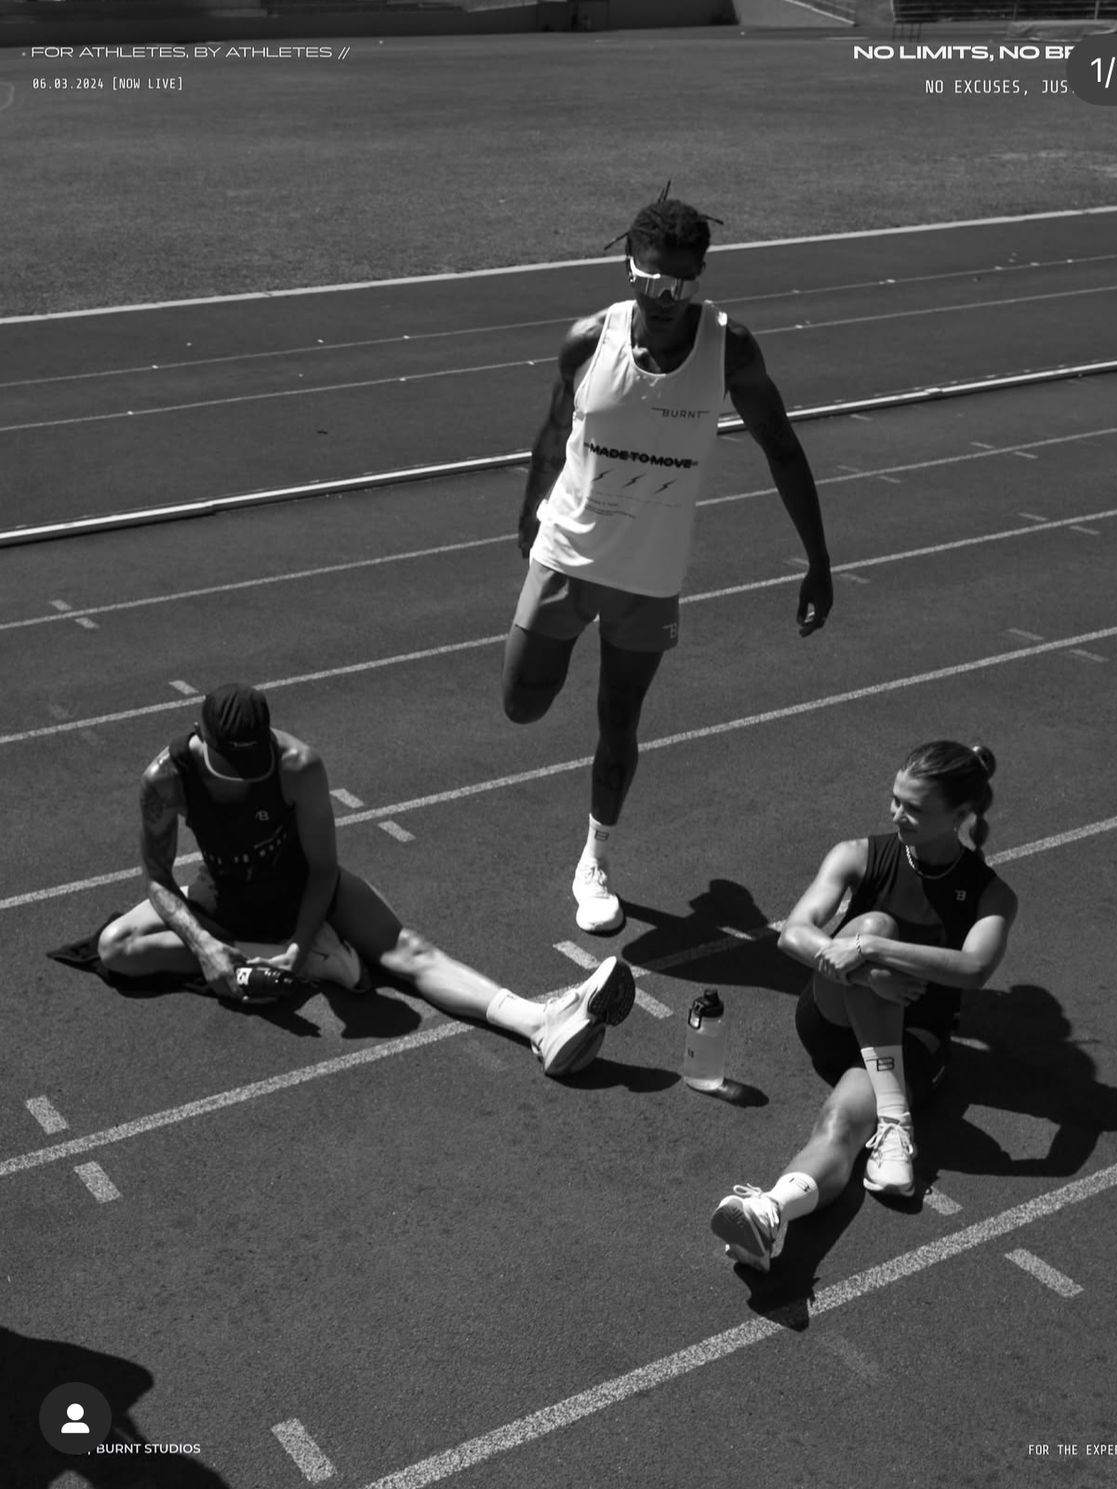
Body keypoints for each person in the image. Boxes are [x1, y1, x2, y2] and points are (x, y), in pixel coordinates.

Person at [503, 187, 833, 934]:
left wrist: (817, 559)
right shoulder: (588, 340)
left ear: (702, 276)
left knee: (619, 722)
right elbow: (553, 434)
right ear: (630, 267)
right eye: (651, 279)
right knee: (522, 705)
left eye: (681, 283)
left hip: (648, 577)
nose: (664, 296)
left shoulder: (730, 350)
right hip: (568, 554)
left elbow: (782, 446)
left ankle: (596, 859)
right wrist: (529, 509)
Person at [97, 683, 635, 1078]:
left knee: (411, 953)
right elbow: (157, 878)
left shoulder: (297, 764)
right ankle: (302, 962)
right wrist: (208, 948)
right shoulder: (165, 781)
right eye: (235, 767)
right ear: (202, 743)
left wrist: (298, 938)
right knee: (114, 947)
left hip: (303, 885)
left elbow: (324, 867)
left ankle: (540, 1020)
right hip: (223, 891)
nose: (250, 774)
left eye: (254, 762)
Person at [710, 741, 1018, 1271]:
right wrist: (872, 971)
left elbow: (975, 969)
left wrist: (875, 951)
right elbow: (793, 936)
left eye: (915, 808)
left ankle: (769, 1212)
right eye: (896, 799)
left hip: (911, 1042)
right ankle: (897, 1120)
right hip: (831, 1020)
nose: (896, 813)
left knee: (840, 1127)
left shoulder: (991, 894)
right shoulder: (859, 853)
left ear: (961, 816)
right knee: (872, 922)